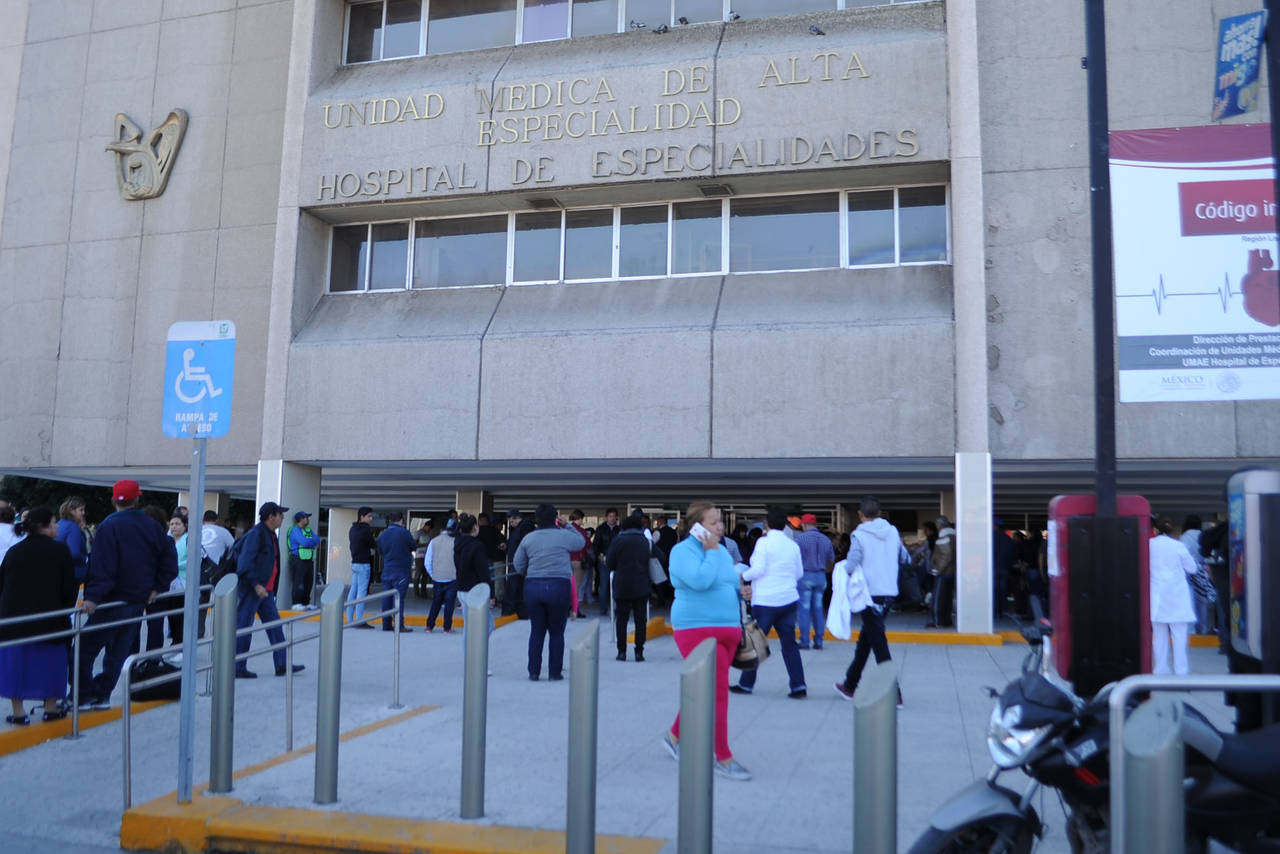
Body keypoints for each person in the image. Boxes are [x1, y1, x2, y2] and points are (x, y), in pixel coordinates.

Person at [664, 501, 750, 781]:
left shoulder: (722, 552)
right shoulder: (682, 552)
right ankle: (722, 756)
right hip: (696, 627)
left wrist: (742, 591)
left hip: (728, 628)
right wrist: (711, 552)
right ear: (696, 527)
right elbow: (699, 581)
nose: (720, 527)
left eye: (720, 521)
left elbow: (728, 582)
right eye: (713, 522)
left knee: (706, 689)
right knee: (717, 692)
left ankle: (673, 736)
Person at [78, 480, 177, 709]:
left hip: (111, 600)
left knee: (84, 650)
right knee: (118, 652)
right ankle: (102, 694)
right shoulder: (153, 526)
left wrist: (92, 598)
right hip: (138, 600)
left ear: (114, 500)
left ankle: (83, 696)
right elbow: (168, 560)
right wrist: (157, 587)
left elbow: (102, 566)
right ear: (137, 499)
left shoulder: (108, 526)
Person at [0, 508, 79, 724]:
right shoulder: (60, 551)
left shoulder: (14, 551)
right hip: (51, 620)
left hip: (15, 622)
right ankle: (50, 709)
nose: (57, 526)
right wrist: (66, 609)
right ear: (44, 526)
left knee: (17, 666)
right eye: (54, 522)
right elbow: (69, 587)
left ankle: (19, 713)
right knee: (51, 665)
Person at [835, 496, 908, 706]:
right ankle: (850, 685)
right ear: (880, 513)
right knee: (866, 642)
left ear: (860, 514)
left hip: (869, 595)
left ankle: (895, 694)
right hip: (889, 594)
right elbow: (905, 557)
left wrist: (844, 573)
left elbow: (852, 563)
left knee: (879, 647)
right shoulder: (893, 532)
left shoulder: (859, 534)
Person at [733, 507, 807, 698]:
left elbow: (758, 569)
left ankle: (746, 684)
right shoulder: (793, 545)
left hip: (766, 600)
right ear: (785, 524)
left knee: (756, 643)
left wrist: (743, 576)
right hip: (788, 599)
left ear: (767, 524)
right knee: (789, 644)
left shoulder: (763, 543)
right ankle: (798, 685)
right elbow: (799, 573)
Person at [512, 505, 584, 681]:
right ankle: (554, 672)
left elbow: (518, 563)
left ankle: (534, 671)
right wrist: (567, 525)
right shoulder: (564, 535)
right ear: (555, 519)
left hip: (533, 586)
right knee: (557, 633)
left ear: (537, 519)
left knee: (536, 631)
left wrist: (529, 572)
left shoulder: (529, 538)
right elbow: (580, 542)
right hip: (559, 586)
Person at [234, 502, 304, 678]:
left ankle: (282, 664)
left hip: (266, 590)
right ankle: (238, 666)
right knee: (244, 627)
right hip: (253, 589)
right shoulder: (256, 534)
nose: (283, 517)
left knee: (275, 627)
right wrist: (256, 584)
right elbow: (244, 564)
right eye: (280, 514)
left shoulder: (270, 535)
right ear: (271, 517)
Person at [1150, 516, 1197, 676]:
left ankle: (1160, 671)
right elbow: (1192, 568)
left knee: (1159, 638)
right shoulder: (1178, 546)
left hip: (1157, 597)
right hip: (1177, 597)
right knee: (1179, 638)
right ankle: (1181, 673)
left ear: (1155, 530)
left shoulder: (1148, 545)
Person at [606, 512, 652, 662]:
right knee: (640, 620)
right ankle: (639, 652)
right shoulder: (645, 541)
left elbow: (609, 563)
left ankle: (621, 652)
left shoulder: (618, 540)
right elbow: (659, 557)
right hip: (641, 584)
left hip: (622, 584)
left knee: (621, 620)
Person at [143, 513, 188, 651]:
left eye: (178, 524)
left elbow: (192, 559)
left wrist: (175, 565)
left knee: (177, 617)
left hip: (180, 583)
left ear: (185, 526)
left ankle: (177, 646)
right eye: (172, 524)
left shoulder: (188, 540)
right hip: (167, 584)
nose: (174, 527)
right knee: (167, 617)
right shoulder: (167, 539)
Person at [795, 512, 834, 649]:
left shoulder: (800, 539)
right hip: (821, 577)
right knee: (818, 608)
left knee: (804, 609)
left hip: (805, 576)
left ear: (804, 525)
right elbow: (831, 559)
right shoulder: (826, 540)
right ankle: (819, 641)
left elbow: (794, 559)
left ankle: (805, 641)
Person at [377, 511, 415, 632]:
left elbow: (380, 550)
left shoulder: (383, 534)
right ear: (401, 520)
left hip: (388, 569)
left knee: (386, 598)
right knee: (398, 598)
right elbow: (413, 546)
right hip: (401, 570)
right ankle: (399, 625)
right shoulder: (404, 533)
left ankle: (386, 624)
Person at [198, 510, 234, 637]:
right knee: (220, 604)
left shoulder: (197, 531)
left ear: (203, 521)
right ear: (217, 521)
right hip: (218, 572)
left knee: (200, 604)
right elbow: (233, 547)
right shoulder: (223, 532)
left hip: (199, 573)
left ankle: (198, 632)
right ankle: (219, 633)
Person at [424, 519, 458, 632]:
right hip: (452, 577)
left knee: (436, 603)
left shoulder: (434, 541)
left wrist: (433, 574)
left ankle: (429, 626)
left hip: (437, 578)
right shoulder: (456, 541)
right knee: (449, 604)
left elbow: (427, 561)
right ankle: (447, 627)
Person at [502, 509, 535, 618]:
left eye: (512, 521)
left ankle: (511, 610)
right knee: (516, 588)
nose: (511, 524)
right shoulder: (518, 529)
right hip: (516, 562)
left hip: (519, 563)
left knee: (514, 587)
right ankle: (518, 611)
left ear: (516, 518)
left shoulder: (525, 528)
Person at [347, 507, 376, 628]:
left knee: (353, 590)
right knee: (361, 592)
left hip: (354, 563)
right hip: (364, 564)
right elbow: (373, 544)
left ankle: (350, 619)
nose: (371, 518)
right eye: (369, 516)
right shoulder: (366, 530)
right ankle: (359, 620)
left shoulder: (352, 529)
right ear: (362, 516)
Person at [926, 516, 956, 628]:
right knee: (947, 598)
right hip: (951, 571)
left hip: (943, 572)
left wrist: (938, 569)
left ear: (939, 525)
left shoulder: (944, 536)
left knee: (938, 598)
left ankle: (938, 621)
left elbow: (946, 555)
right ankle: (946, 620)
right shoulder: (954, 536)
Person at [288, 511, 320, 610]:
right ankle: (296, 603)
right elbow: (304, 542)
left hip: (308, 558)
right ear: (301, 519)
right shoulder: (295, 530)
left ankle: (306, 603)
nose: (308, 519)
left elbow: (318, 540)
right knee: (299, 581)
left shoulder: (308, 530)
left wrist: (310, 542)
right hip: (298, 558)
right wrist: (311, 542)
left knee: (308, 581)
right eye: (306, 517)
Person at [591, 508, 621, 613]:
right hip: (603, 560)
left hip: (617, 562)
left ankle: (617, 609)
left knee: (617, 586)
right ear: (606, 517)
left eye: (614, 516)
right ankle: (603, 608)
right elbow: (595, 545)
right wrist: (599, 556)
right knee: (604, 585)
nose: (612, 518)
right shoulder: (600, 529)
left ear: (617, 518)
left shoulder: (619, 529)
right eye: (610, 516)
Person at [55, 497, 89, 582]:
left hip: (60, 573)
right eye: (81, 510)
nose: (83, 513)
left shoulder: (59, 524)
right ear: (72, 511)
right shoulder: (73, 527)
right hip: (75, 575)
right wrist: (87, 559)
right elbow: (74, 553)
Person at [567, 509, 591, 617]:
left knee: (566, 585)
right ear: (580, 518)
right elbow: (587, 545)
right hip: (578, 560)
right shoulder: (581, 531)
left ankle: (565, 607)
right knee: (576, 587)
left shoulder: (566, 530)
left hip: (566, 561)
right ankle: (574, 609)